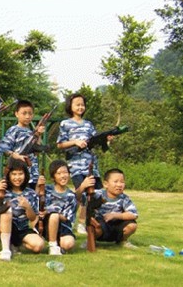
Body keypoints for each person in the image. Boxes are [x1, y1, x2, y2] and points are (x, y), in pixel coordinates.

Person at [56, 93, 105, 235]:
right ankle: (77, 222)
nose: (80, 107)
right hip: (76, 166)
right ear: (70, 106)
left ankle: (92, 222)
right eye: (77, 104)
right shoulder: (65, 123)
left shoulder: (89, 124)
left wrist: (106, 140)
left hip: (91, 166)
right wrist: (75, 142)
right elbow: (60, 144)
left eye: (82, 104)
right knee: (81, 195)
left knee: (97, 195)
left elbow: (95, 141)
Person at [0, 159, 45, 261]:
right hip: (4, 227)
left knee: (38, 245)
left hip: (22, 229)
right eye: (14, 174)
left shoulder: (30, 193)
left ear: (25, 175)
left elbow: (33, 218)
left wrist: (27, 207)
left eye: (20, 174)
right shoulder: (3, 191)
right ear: (9, 175)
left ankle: (16, 245)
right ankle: (5, 250)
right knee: (7, 212)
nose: (17, 177)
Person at [76, 168, 138, 248]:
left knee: (132, 225)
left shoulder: (124, 198)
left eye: (122, 182)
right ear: (106, 184)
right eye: (116, 181)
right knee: (94, 225)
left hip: (116, 226)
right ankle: (91, 240)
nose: (119, 185)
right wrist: (83, 186)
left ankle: (122, 241)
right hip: (100, 226)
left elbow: (134, 214)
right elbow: (76, 198)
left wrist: (115, 215)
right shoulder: (96, 194)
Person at [0, 100, 45, 189]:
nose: (27, 116)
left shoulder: (31, 132)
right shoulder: (13, 130)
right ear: (16, 114)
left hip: (32, 173)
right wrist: (15, 155)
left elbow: (36, 151)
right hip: (18, 173)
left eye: (30, 114)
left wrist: (38, 134)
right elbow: (4, 147)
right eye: (24, 113)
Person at [36, 160, 77, 255]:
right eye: (59, 173)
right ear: (53, 177)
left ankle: (58, 243)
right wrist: (38, 185)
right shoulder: (46, 189)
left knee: (68, 244)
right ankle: (53, 245)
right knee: (53, 216)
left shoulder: (71, 195)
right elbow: (35, 199)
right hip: (45, 224)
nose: (63, 176)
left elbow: (66, 218)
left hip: (63, 227)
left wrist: (49, 211)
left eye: (65, 172)